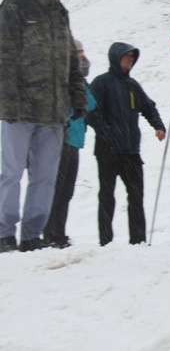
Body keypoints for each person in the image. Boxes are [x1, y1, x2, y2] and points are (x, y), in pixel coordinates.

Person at [0, 0, 87, 253]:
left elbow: (70, 62)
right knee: (11, 173)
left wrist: (77, 96)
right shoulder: (14, 7)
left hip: (53, 112)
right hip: (20, 109)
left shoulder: (61, 13)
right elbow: (5, 56)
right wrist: (7, 97)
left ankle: (32, 235)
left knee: (46, 177)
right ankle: (4, 233)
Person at [87, 42, 166, 246]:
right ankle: (106, 240)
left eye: (132, 57)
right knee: (107, 195)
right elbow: (91, 113)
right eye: (126, 56)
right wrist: (108, 133)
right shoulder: (101, 82)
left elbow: (148, 107)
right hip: (107, 150)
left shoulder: (132, 85)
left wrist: (158, 125)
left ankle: (138, 240)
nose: (130, 60)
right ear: (115, 58)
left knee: (136, 195)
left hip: (131, 150)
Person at [43, 39, 97, 248]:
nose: (82, 57)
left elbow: (90, 104)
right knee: (56, 188)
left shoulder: (80, 82)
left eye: (83, 52)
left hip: (74, 140)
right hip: (61, 138)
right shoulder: (62, 80)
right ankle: (50, 233)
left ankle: (59, 233)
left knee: (66, 190)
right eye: (78, 53)